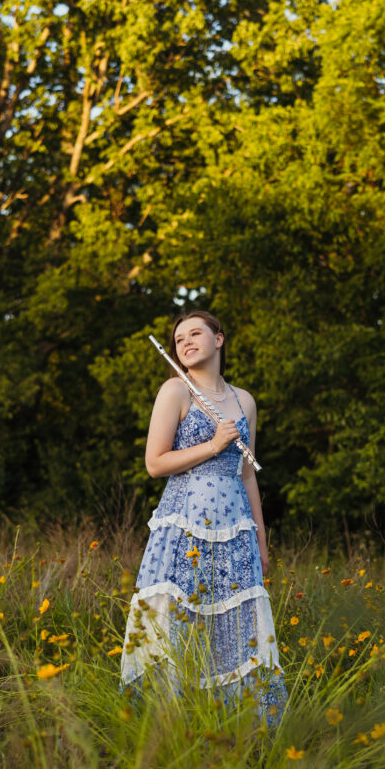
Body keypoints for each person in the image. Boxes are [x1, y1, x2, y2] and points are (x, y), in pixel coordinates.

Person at [119, 310, 287, 725]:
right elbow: (155, 464)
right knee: (178, 622)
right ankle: (169, 727)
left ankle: (236, 726)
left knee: (234, 627)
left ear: (219, 339)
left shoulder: (244, 400)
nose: (186, 343)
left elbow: (247, 476)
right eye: (179, 339)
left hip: (235, 528)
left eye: (196, 333)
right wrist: (214, 444)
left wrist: (261, 544)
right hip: (184, 524)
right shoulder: (175, 391)